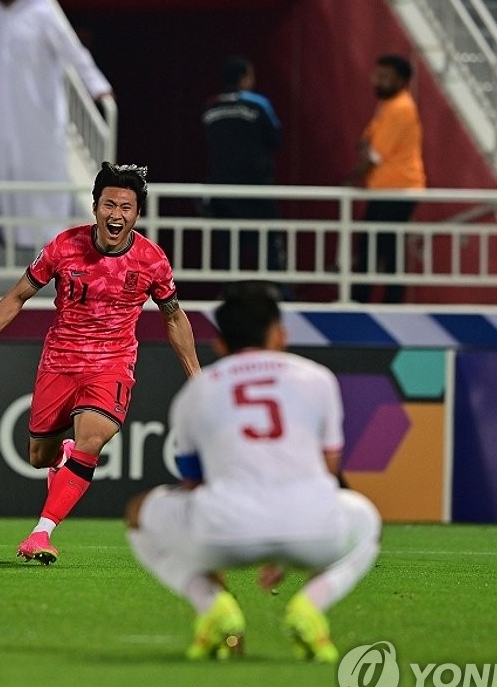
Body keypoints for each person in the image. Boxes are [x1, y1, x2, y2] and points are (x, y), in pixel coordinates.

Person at [0, 162, 201, 564]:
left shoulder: (151, 260)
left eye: (126, 207)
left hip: (112, 365)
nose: (116, 215)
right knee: (39, 456)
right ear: (94, 206)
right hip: (59, 363)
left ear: (137, 213)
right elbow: (17, 295)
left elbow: (174, 317)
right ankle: (61, 457)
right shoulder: (64, 247)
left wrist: (197, 377)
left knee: (93, 438)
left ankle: (41, 533)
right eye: (109, 205)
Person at [124, 281, 381, 661]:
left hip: (223, 532)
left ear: (220, 345)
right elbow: (329, 472)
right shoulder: (318, 378)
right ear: (279, 335)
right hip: (311, 528)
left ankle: (213, 606)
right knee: (367, 520)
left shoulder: (197, 391)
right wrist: (284, 543)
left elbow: (193, 483)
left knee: (138, 513)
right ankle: (310, 606)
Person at [0, 0, 113, 249]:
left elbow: (73, 53)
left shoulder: (43, 17)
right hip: (0, 114)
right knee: (4, 170)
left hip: (40, 115)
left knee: (44, 172)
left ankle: (49, 238)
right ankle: (12, 235)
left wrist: (98, 87)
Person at [346, 54, 425, 304]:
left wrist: (352, 177)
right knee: (377, 245)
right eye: (377, 75)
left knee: (380, 246)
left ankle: (375, 300)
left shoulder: (401, 108)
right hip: (386, 189)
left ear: (402, 81)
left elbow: (373, 153)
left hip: (398, 189)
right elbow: (364, 141)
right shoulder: (388, 106)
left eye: (384, 77)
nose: (377, 81)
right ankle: (372, 298)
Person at [201, 55, 283, 274]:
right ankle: (277, 291)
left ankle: (229, 290)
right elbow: (275, 138)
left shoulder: (210, 107)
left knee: (229, 249)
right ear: (245, 78)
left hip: (221, 189)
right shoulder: (257, 103)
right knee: (267, 246)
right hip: (255, 189)